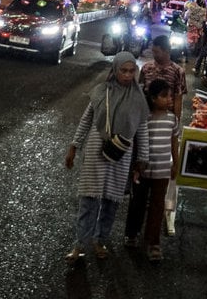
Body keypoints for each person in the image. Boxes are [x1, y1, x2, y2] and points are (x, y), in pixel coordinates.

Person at [64, 52, 150, 263]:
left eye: (132, 71)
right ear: (115, 70)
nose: (128, 75)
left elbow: (142, 130)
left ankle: (100, 240)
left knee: (111, 202)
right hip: (95, 149)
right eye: (124, 71)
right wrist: (74, 146)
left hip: (121, 154)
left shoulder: (138, 98)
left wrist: (142, 159)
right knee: (89, 200)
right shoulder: (102, 92)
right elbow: (87, 119)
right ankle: (79, 245)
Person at [123, 79, 179, 262]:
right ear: (153, 98)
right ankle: (132, 233)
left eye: (170, 96)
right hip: (144, 169)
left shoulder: (172, 119)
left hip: (162, 170)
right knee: (137, 202)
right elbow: (138, 141)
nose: (169, 99)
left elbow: (174, 142)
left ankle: (153, 242)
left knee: (157, 206)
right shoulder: (144, 118)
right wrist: (135, 165)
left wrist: (176, 163)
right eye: (164, 96)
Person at [138, 35, 188, 235]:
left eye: (156, 50)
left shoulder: (177, 72)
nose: (153, 53)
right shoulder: (146, 69)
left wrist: (174, 122)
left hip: (165, 125)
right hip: (144, 123)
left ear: (166, 50)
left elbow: (178, 98)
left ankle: (152, 234)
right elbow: (140, 93)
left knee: (158, 187)